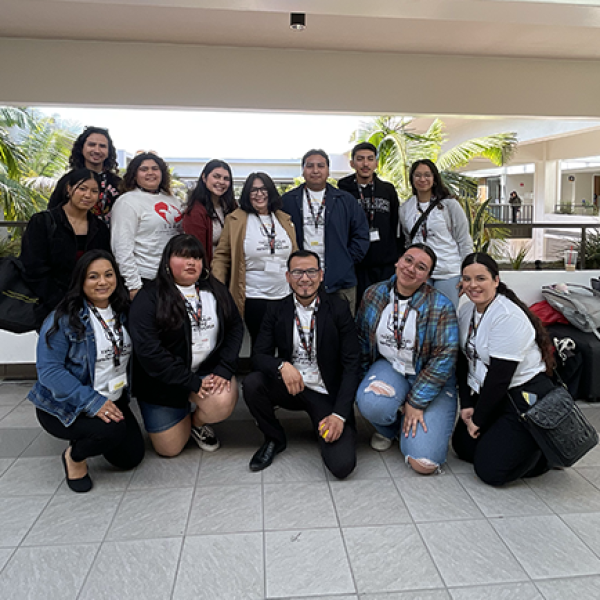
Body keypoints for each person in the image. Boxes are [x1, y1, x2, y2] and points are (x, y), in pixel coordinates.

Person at [27, 250, 145, 493]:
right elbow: (49, 372)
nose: (102, 282)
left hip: (113, 397)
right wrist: (93, 403)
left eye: (108, 275)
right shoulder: (63, 319)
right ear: (81, 280)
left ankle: (91, 434)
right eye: (93, 276)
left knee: (130, 458)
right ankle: (75, 456)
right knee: (111, 431)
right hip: (67, 404)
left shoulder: (124, 311)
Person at [242, 250, 360, 478]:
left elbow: (352, 364)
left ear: (321, 275)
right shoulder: (276, 309)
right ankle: (274, 438)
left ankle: (328, 421)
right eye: (297, 272)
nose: (304, 278)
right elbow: (258, 355)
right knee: (252, 383)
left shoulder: (338, 308)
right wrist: (281, 366)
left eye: (311, 271)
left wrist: (339, 415)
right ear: (287, 276)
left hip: (325, 392)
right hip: (291, 386)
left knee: (342, 466)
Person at [128, 234, 243, 458]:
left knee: (222, 400)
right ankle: (179, 410)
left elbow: (235, 328)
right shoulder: (149, 297)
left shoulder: (215, 290)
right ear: (167, 262)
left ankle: (196, 422)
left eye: (197, 257)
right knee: (169, 450)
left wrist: (224, 368)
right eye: (183, 256)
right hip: (163, 384)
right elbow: (149, 351)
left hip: (205, 374)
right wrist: (188, 382)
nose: (191, 262)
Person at [452, 252, 556, 486]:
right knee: (463, 447)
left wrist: (478, 419)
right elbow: (463, 361)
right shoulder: (466, 312)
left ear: (496, 280)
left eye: (481, 278)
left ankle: (544, 449)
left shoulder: (507, 316)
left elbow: (500, 378)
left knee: (492, 471)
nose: (473, 285)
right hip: (491, 392)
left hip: (523, 395)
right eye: (467, 279)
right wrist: (467, 404)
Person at [355, 244, 458, 475]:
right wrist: (361, 382)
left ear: (428, 277)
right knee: (371, 402)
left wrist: (416, 402)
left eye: (421, 267)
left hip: (430, 378)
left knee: (424, 463)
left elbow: (444, 360)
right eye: (408, 260)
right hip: (390, 367)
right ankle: (392, 428)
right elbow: (362, 341)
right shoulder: (374, 293)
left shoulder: (441, 306)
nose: (411, 269)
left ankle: (409, 421)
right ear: (398, 261)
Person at [212, 172, 298, 345]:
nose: (259, 194)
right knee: (261, 344)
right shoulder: (236, 219)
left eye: (263, 189)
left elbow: (294, 254)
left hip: (284, 294)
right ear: (246, 194)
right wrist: (218, 287)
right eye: (253, 190)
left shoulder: (284, 219)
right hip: (254, 295)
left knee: (285, 342)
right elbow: (222, 256)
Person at [281, 149, 369, 315]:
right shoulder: (288, 201)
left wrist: (345, 260)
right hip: (301, 277)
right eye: (310, 166)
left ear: (328, 170)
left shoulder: (345, 200)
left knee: (341, 330)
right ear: (303, 170)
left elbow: (361, 234)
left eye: (320, 166)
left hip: (340, 278)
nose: (315, 170)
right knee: (304, 329)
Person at [21, 168, 111, 320]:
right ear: (69, 189)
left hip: (90, 303)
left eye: (94, 191)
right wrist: (61, 303)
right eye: (82, 189)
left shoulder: (99, 227)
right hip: (48, 305)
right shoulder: (43, 222)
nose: (88, 195)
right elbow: (33, 267)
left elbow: (104, 265)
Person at [398, 159, 473, 308]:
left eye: (427, 175)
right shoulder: (406, 208)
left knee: (445, 316)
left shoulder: (449, 205)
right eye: (418, 175)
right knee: (419, 315)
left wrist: (467, 274)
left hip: (448, 271)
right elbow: (408, 241)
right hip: (418, 271)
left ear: (434, 178)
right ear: (412, 179)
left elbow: (463, 240)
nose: (422, 179)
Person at [338, 142, 403, 305]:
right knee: (359, 307)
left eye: (370, 159)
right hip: (357, 263)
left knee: (385, 305)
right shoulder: (343, 190)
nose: (365, 164)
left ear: (376, 163)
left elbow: (396, 223)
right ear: (352, 163)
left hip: (385, 262)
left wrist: (399, 255)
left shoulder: (387, 189)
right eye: (360, 159)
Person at [111, 152, 183, 300]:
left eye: (155, 168)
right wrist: (133, 285)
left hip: (172, 277)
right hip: (145, 277)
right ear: (134, 175)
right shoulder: (127, 201)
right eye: (144, 169)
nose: (150, 172)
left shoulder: (173, 199)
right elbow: (121, 247)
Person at [48, 126, 122, 223]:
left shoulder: (118, 183)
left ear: (109, 152)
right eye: (91, 145)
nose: (97, 150)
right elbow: (52, 215)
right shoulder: (68, 180)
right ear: (81, 148)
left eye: (102, 146)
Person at [183, 159, 236, 264]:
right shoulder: (195, 212)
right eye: (216, 177)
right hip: (210, 270)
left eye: (226, 178)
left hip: (231, 269)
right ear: (204, 177)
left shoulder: (231, 207)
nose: (221, 182)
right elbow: (197, 251)